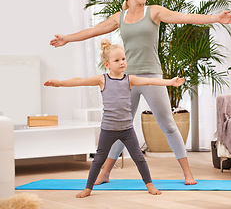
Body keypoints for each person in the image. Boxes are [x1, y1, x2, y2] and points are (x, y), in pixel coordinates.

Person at [50, 0, 231, 186]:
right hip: (126, 79)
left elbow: (184, 17)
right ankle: (104, 173)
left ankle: (188, 173)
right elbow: (93, 31)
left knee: (168, 124)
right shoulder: (119, 17)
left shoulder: (154, 12)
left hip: (151, 77)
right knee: (119, 127)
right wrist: (67, 38)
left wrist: (215, 18)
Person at [44, 39, 185, 198]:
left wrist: (170, 82)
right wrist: (60, 83)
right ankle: (88, 189)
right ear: (107, 64)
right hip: (108, 129)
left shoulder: (129, 79)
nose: (122, 62)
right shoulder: (102, 79)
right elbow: (80, 81)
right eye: (117, 60)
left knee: (139, 157)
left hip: (127, 130)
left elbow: (150, 80)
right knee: (98, 160)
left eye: (123, 59)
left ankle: (150, 186)